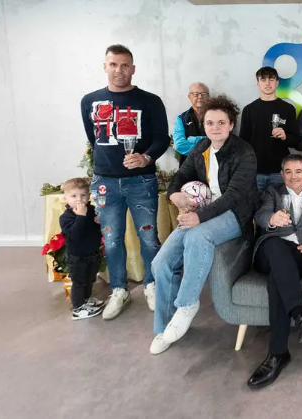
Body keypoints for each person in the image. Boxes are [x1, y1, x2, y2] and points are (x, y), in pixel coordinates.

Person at [149, 95, 258, 355]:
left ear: (231, 125)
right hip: (203, 212)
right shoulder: (201, 148)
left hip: (235, 214)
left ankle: (187, 304)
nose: (215, 127)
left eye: (221, 122)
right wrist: (174, 195)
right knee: (161, 262)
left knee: (198, 236)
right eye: (210, 123)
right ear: (204, 125)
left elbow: (233, 196)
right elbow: (181, 175)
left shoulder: (244, 152)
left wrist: (199, 217)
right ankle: (164, 327)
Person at [80, 44, 168, 320]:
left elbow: (162, 138)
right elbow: (93, 138)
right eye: (113, 64)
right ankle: (119, 289)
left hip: (141, 181)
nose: (119, 70)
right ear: (104, 67)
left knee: (149, 237)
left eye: (125, 65)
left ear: (133, 68)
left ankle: (152, 284)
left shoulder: (150, 101)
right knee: (111, 239)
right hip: (104, 183)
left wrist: (146, 157)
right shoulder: (90, 101)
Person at [248, 154, 302, 389]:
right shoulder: (272, 192)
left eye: (298, 171)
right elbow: (260, 215)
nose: (293, 176)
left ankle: (278, 354)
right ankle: (299, 313)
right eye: (288, 171)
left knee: (278, 277)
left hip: (301, 255)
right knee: (276, 245)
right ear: (282, 174)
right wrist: (272, 218)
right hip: (269, 251)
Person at [240, 67, 300, 191]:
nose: (267, 83)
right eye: (263, 80)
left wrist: (285, 136)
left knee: (282, 203)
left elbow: (296, 140)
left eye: (271, 79)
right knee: (256, 203)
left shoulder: (288, 109)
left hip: (281, 171)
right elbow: (243, 143)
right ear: (258, 83)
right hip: (256, 171)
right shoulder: (249, 110)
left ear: (277, 83)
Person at [59, 177, 105, 320]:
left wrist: (99, 222)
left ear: (89, 195)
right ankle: (78, 308)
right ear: (65, 198)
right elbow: (74, 235)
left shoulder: (91, 210)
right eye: (74, 196)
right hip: (77, 257)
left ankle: (86, 300)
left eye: (83, 195)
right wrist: (80, 216)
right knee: (79, 282)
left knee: (90, 279)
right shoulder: (66, 217)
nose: (79, 200)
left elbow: (95, 230)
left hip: (92, 253)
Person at [173, 82, 209, 165]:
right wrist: (206, 150)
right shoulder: (181, 118)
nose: (200, 97)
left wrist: (192, 139)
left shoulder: (216, 116)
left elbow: (219, 141)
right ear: (189, 96)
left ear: (208, 96)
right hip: (188, 165)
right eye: (196, 94)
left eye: (203, 94)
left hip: (210, 165)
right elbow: (179, 145)